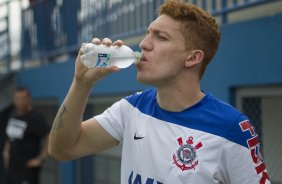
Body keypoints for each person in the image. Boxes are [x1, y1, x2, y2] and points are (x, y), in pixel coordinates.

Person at [48, 0, 271, 183]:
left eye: (161, 37)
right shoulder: (132, 109)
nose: (144, 44)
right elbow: (63, 149)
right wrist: (81, 83)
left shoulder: (231, 128)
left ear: (193, 57)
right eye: (148, 33)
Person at [3, 87, 50, 184]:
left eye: (23, 98)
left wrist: (40, 159)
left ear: (29, 99)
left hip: (27, 171)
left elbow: (50, 137)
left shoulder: (36, 118)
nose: (20, 101)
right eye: (17, 98)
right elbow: (10, 137)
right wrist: (6, 152)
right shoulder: (13, 114)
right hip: (11, 169)